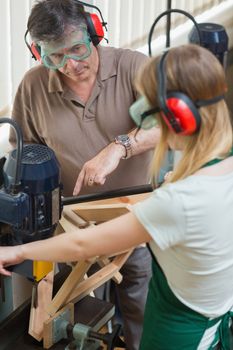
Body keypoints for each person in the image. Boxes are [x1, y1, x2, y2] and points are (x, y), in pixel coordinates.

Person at [2, 43, 233, 349]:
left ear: (177, 118)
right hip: (217, 319)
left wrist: (16, 253)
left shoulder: (177, 203)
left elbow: (82, 243)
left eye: (149, 114)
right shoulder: (219, 166)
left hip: (177, 335)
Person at [9, 1, 161, 349]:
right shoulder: (33, 87)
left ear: (95, 32)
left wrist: (118, 147)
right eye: (54, 57)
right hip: (73, 221)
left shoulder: (133, 66)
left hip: (135, 217)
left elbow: (165, 123)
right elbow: (25, 153)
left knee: (140, 300)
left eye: (77, 49)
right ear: (38, 52)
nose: (70, 65)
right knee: (84, 310)